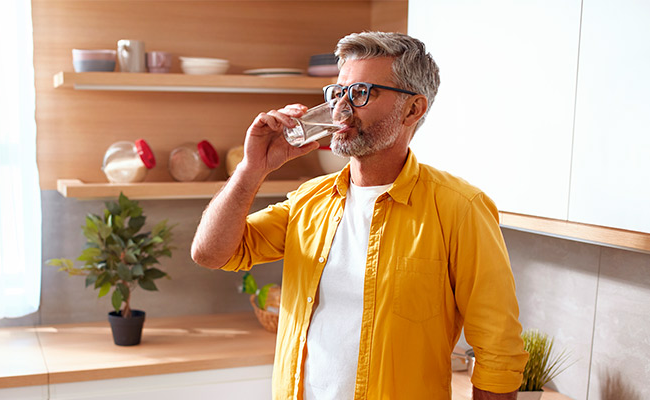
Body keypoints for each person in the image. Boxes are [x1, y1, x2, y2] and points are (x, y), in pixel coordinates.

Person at [191, 31, 528, 400]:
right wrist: (251, 169)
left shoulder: (460, 208)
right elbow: (210, 253)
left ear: (413, 109)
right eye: (338, 92)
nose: (341, 107)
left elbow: (499, 351)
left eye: (361, 93)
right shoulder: (310, 201)